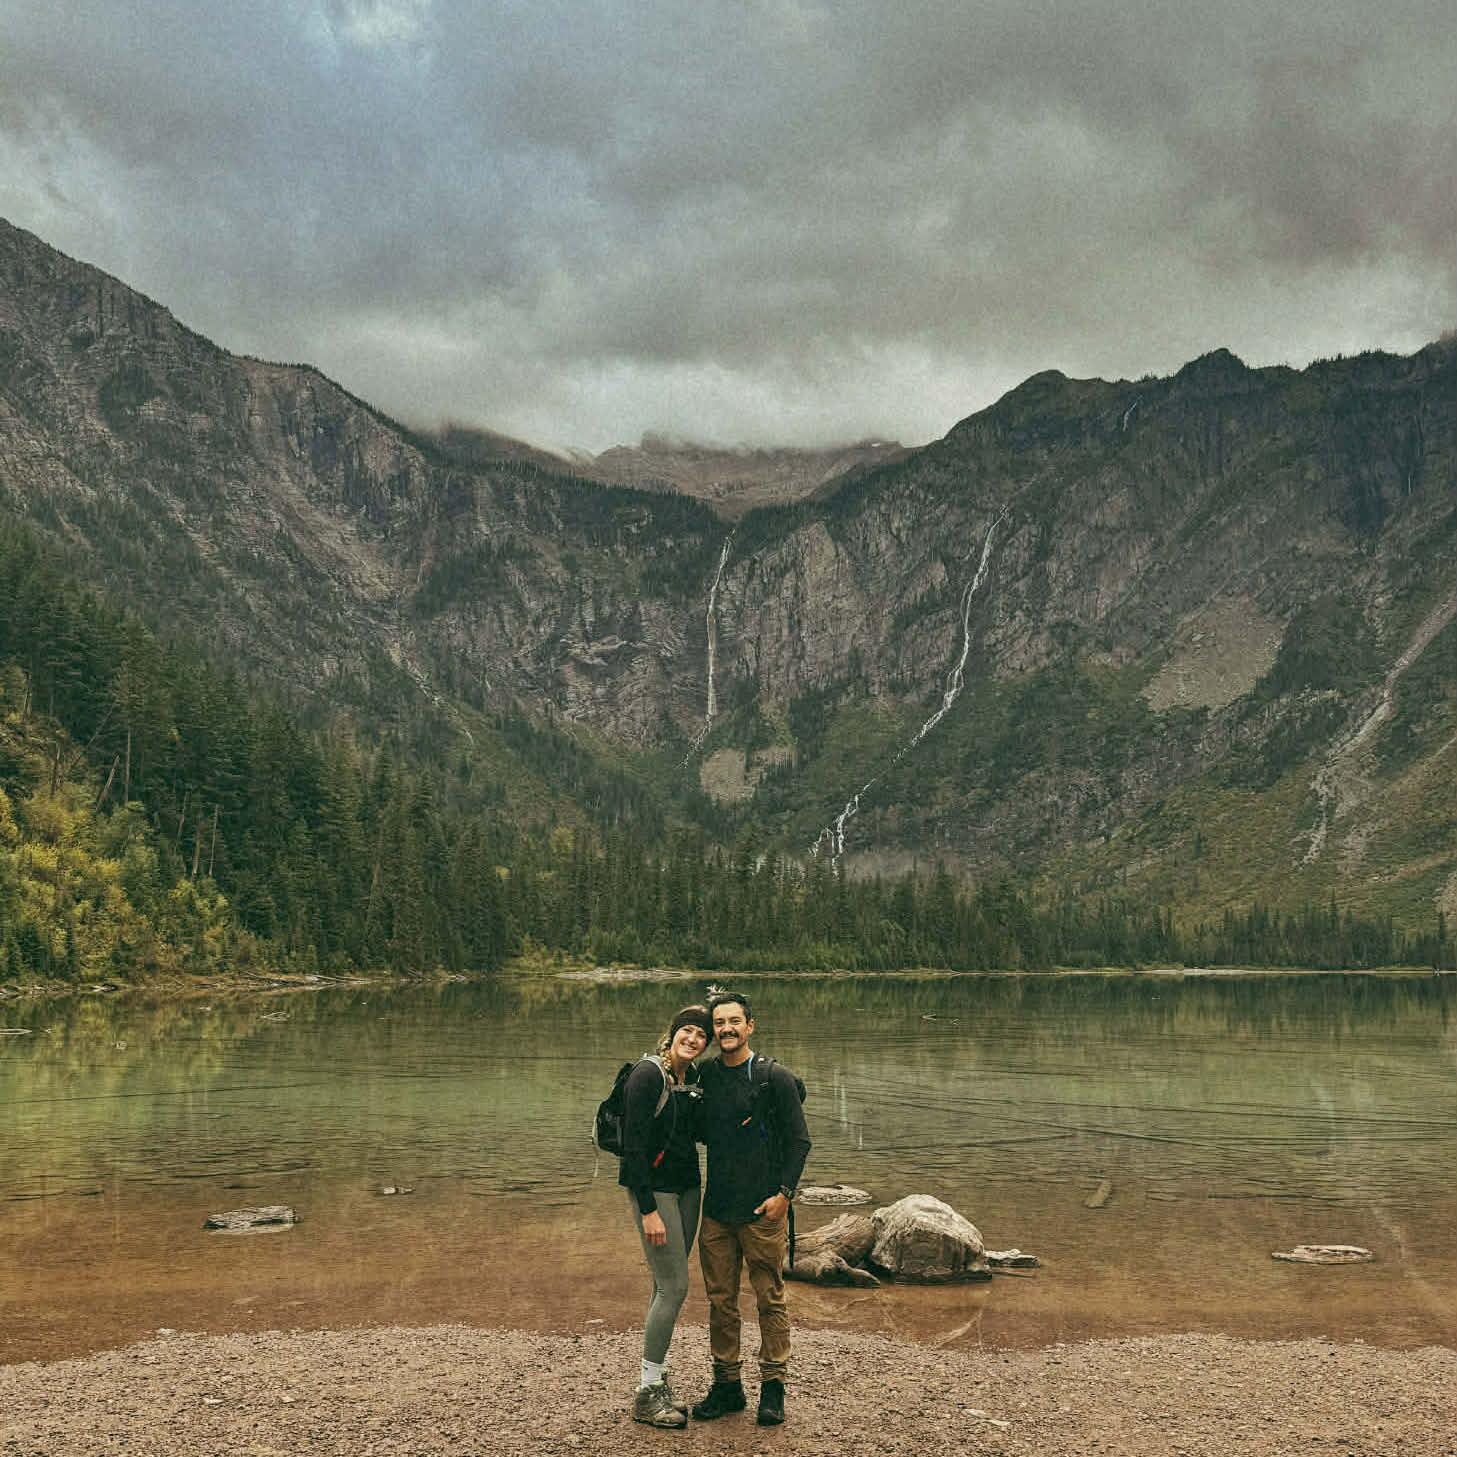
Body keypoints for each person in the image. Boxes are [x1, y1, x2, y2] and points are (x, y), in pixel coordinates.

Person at [692, 991, 811, 1428]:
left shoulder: (773, 1078)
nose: (726, 1029)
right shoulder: (706, 1077)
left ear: (750, 1026)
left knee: (769, 1299)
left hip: (763, 1211)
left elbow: (800, 1141)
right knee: (721, 1301)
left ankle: (773, 1388)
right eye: (719, 1023)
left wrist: (784, 1195)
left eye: (734, 1021)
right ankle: (727, 1387)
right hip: (717, 1210)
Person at [619, 1004, 712, 1428]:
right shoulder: (647, 1074)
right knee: (674, 1287)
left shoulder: (690, 1078)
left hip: (688, 1189)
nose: (693, 1039)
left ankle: (656, 1381)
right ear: (672, 1033)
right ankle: (647, 1391)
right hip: (656, 1193)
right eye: (687, 1031)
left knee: (666, 1284)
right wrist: (648, 1210)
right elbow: (632, 1148)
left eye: (700, 1036)